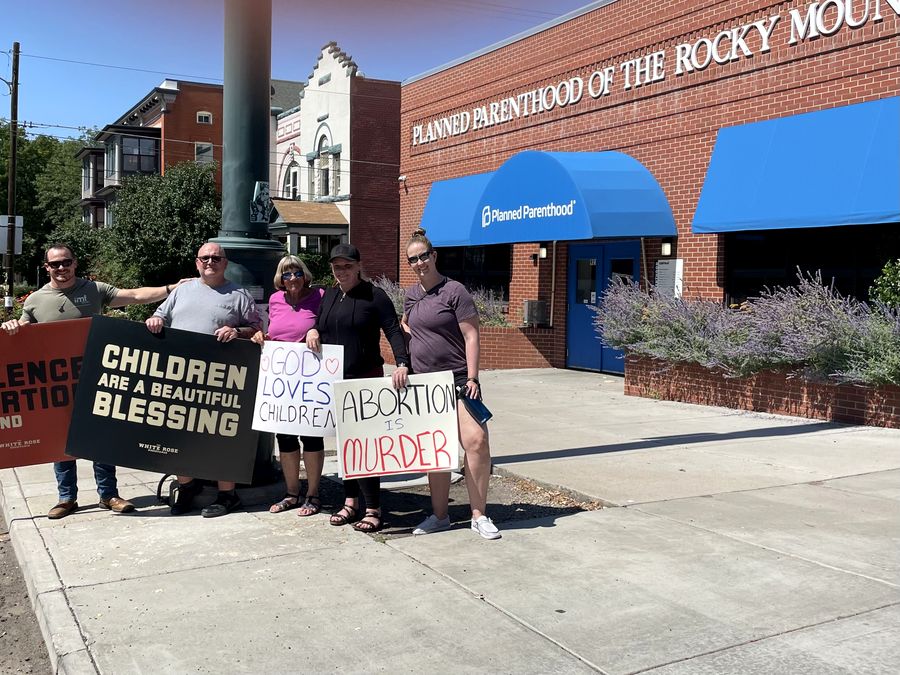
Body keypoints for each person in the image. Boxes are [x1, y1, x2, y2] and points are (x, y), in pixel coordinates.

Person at [1, 243, 187, 520]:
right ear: (46, 268)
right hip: (58, 384)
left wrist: (171, 288)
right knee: (60, 439)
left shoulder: (94, 290)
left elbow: (135, 295)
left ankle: (108, 494)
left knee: (102, 436)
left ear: (75, 263)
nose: (61, 268)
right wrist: (11, 326)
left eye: (66, 262)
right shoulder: (35, 300)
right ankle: (66, 498)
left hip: (96, 374)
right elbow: (25, 331)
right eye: (55, 264)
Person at [145, 242, 261, 518]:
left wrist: (237, 330)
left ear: (225, 262)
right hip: (181, 376)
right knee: (180, 435)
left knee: (221, 437)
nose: (210, 262)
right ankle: (186, 488)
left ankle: (227, 495)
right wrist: (154, 320)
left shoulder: (239, 294)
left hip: (221, 377)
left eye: (216, 257)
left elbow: (257, 328)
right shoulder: (182, 290)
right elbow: (159, 315)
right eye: (205, 258)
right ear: (197, 263)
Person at [401, 228, 501, 540]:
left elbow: (471, 335)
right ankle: (440, 515)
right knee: (436, 449)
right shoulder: (411, 295)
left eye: (423, 256)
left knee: (476, 442)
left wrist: (473, 377)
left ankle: (478, 514)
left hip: (458, 379)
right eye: (413, 259)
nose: (419, 263)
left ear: (434, 256)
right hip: (426, 383)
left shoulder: (454, 291)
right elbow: (407, 325)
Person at [305, 243, 409, 533]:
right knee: (346, 445)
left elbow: (392, 330)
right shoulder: (330, 295)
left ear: (359, 266)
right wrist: (312, 330)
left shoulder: (375, 296)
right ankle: (351, 502)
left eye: (348, 266)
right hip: (335, 382)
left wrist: (402, 362)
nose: (342, 271)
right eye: (337, 266)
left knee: (365, 446)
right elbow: (321, 325)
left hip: (365, 379)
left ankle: (374, 508)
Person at [251, 255, 326, 516]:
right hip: (283, 381)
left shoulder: (319, 295)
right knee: (285, 438)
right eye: (286, 274)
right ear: (280, 279)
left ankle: (314, 494)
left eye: (296, 273)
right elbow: (276, 333)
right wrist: (263, 336)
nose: (292, 278)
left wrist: (316, 330)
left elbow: (329, 325)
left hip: (310, 379)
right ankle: (292, 493)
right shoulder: (275, 300)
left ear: (305, 275)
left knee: (312, 437)